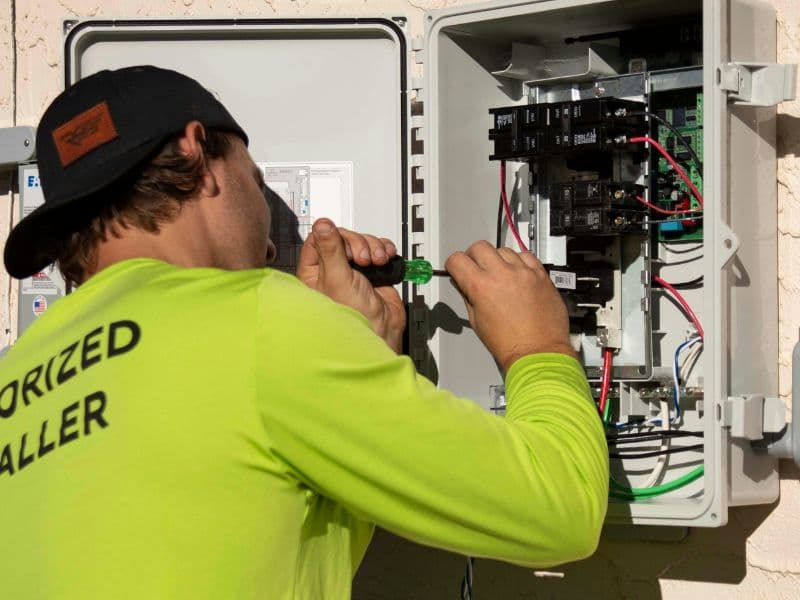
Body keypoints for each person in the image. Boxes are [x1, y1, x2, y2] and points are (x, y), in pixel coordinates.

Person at [0, 66, 607, 599]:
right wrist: (538, 345)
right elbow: (560, 511)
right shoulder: (263, 321)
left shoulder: (15, 374)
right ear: (195, 153)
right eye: (257, 179)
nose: (271, 238)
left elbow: (269, 541)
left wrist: (353, 346)